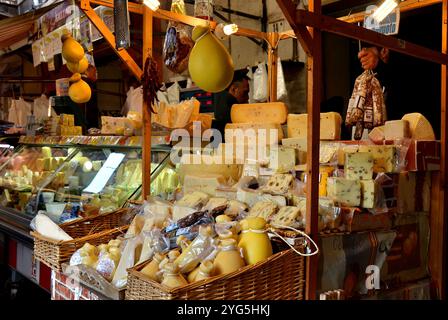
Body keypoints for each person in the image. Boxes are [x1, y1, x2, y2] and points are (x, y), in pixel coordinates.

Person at [212, 70, 250, 138]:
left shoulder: (219, 104)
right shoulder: (232, 113)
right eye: (245, 92)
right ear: (233, 89)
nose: (247, 97)